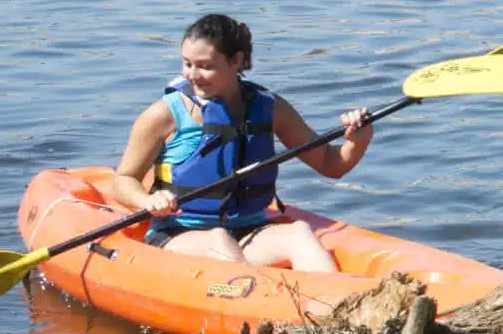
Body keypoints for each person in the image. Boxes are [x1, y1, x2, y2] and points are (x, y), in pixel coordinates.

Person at [113, 14, 374, 272]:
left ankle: (337, 306)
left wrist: (357, 142)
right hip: (179, 233)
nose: (193, 75)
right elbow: (123, 180)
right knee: (219, 241)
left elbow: (330, 164)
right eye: (187, 64)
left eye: (204, 66)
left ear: (236, 61)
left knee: (299, 234)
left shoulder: (269, 107)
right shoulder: (163, 115)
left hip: (250, 229)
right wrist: (146, 200)